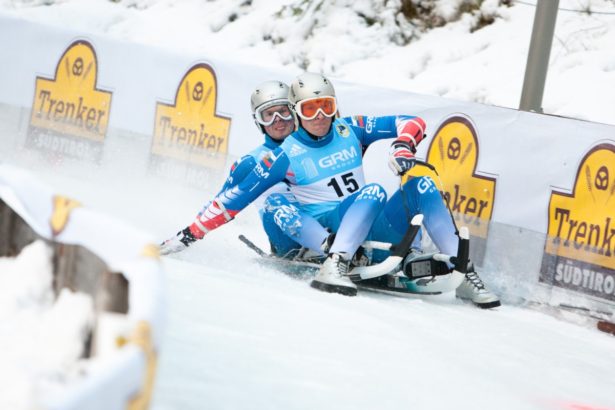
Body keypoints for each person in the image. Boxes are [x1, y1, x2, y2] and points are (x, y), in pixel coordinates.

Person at [162, 73, 500, 308]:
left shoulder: (348, 128)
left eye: (326, 105)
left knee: (422, 181)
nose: (320, 116)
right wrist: (187, 236)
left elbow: (411, 122)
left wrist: (402, 149)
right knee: (369, 193)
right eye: (310, 109)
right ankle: (333, 261)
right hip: (319, 226)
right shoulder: (278, 156)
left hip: (367, 219)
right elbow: (230, 199)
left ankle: (463, 270)